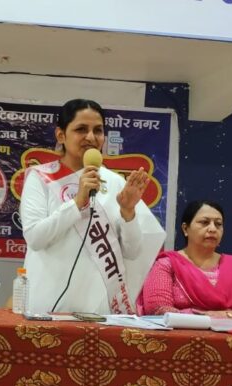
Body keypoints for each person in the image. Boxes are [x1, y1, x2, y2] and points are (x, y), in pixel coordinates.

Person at [19, 98, 166, 314]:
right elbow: (35, 238)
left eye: (98, 130)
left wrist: (128, 212)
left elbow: (133, 252)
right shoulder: (40, 177)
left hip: (98, 308)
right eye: (81, 129)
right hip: (47, 302)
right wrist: (77, 203)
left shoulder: (115, 182)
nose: (91, 137)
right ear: (61, 135)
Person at [137, 200, 232, 319]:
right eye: (204, 222)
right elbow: (157, 309)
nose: (212, 229)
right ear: (185, 229)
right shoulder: (167, 264)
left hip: (230, 335)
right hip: (180, 334)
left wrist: (223, 315)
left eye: (218, 224)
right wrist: (205, 319)